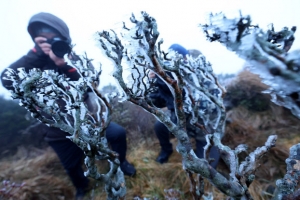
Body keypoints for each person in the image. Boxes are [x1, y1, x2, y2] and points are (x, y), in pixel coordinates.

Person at [0, 12, 136, 199]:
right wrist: (36, 54)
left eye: (54, 38)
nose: (50, 42)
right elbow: (7, 80)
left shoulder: (72, 59)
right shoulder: (29, 63)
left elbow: (89, 84)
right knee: (71, 165)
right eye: (43, 38)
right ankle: (82, 187)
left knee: (118, 133)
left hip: (88, 121)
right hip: (56, 130)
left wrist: (64, 65)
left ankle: (122, 163)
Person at [150, 43, 220, 168]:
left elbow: (210, 106)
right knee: (160, 126)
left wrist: (185, 96)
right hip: (181, 120)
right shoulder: (170, 78)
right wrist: (156, 84)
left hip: (204, 125)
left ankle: (211, 145)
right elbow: (157, 103)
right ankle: (166, 150)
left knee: (206, 167)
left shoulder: (202, 76)